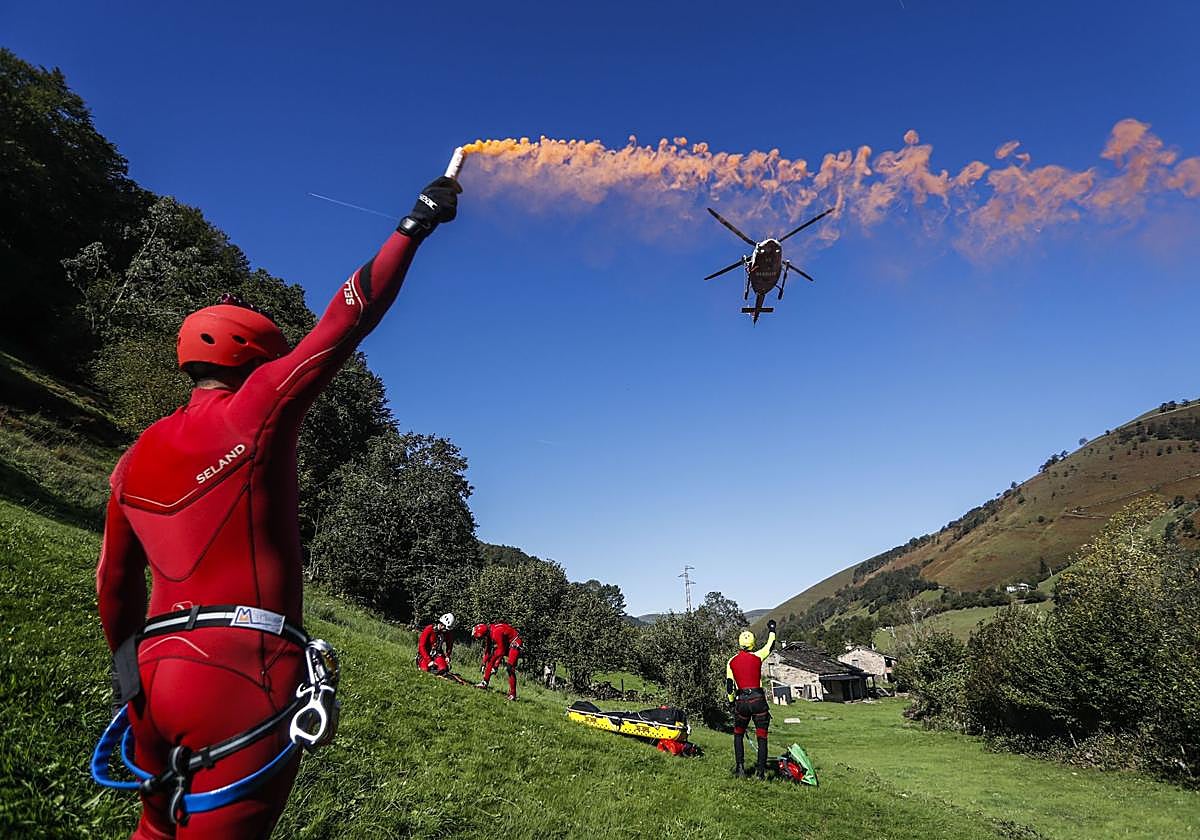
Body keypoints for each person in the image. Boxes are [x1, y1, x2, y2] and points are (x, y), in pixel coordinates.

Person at [94, 170, 462, 839]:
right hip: (244, 671)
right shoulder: (258, 407)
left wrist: (131, 683)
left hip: (152, 673)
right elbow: (347, 319)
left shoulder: (133, 459)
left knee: (151, 831)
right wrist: (416, 223)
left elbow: (113, 586)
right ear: (257, 356)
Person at [725, 619, 777, 779]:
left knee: (738, 734)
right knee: (762, 736)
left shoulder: (731, 661)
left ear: (739, 643)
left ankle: (740, 769)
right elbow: (770, 645)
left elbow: (729, 686)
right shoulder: (758, 656)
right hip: (758, 700)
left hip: (742, 701)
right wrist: (772, 628)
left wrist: (731, 702)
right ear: (753, 643)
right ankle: (760, 772)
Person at [471, 622, 523, 700]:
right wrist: (483, 663)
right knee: (491, 659)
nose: (482, 639)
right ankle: (484, 683)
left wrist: (494, 663)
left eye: (481, 638)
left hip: (515, 642)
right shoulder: (490, 632)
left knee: (510, 668)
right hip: (508, 642)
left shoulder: (496, 632)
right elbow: (488, 649)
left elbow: (501, 651)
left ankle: (513, 694)